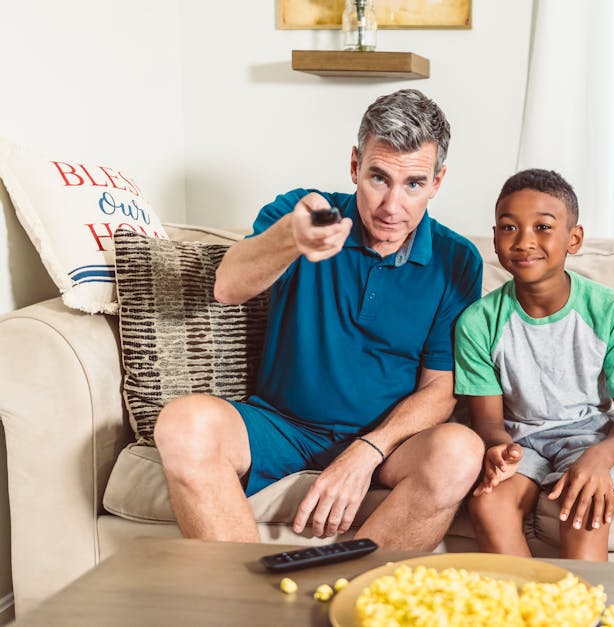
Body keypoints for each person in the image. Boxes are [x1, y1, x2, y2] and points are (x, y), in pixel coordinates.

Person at [154, 89, 485, 550]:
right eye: (378, 178)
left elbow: (440, 388)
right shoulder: (304, 213)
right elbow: (228, 286)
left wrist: (368, 451)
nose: (392, 205)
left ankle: (352, 605)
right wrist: (293, 239)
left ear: (437, 181)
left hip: (386, 444)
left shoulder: (458, 259)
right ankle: (245, 609)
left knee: (460, 451)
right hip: (280, 426)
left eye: (413, 184)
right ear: (354, 166)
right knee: (182, 424)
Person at [454, 169, 614, 561]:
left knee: (583, 509)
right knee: (488, 503)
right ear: (495, 238)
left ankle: (582, 612)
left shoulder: (610, 310)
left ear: (573, 239)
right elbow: (490, 423)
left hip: (591, 438)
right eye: (509, 227)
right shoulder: (477, 323)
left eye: (543, 227)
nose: (525, 240)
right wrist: (497, 448)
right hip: (520, 440)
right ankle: (527, 610)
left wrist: (599, 458)